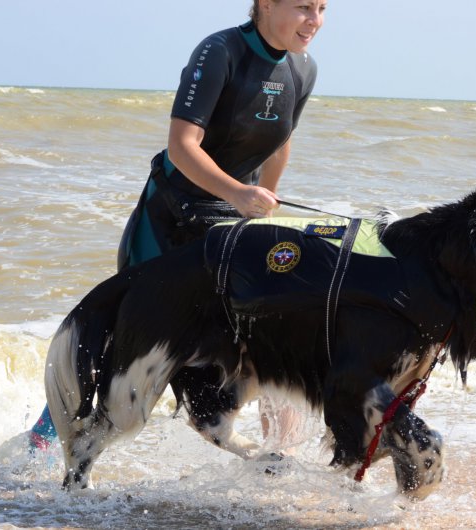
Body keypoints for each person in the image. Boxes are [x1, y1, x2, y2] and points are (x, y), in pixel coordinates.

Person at [30, 0, 327, 452]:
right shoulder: (220, 52)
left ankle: (276, 460)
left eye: (323, 8)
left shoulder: (303, 68)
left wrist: (265, 206)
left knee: (272, 332)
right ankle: (42, 444)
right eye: (304, 6)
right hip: (167, 225)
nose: (315, 21)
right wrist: (238, 193)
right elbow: (181, 145)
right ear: (266, 4)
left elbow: (279, 143)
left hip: (227, 228)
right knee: (119, 351)